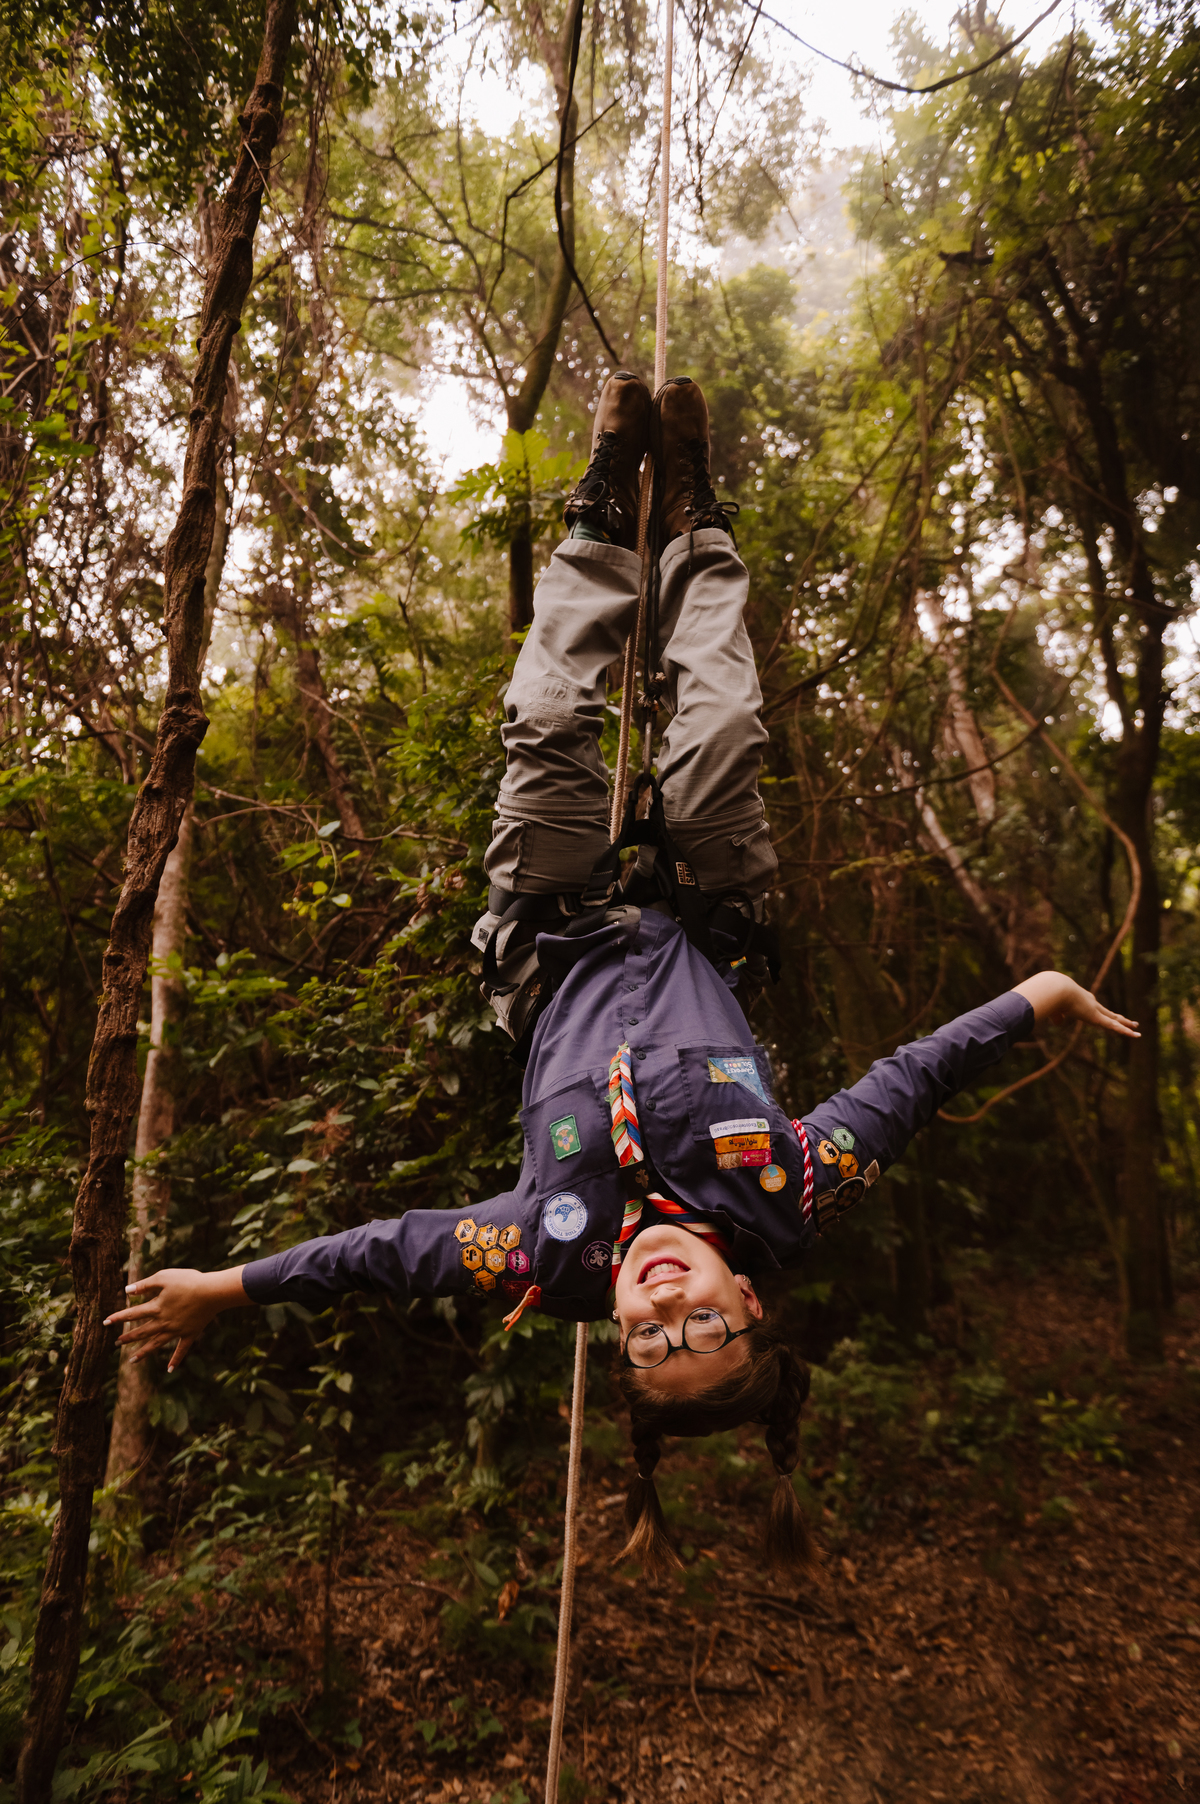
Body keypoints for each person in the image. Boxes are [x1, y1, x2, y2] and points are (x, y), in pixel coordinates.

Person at [106, 372, 1138, 1574]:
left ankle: (604, 512)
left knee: (547, 726)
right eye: (702, 1323)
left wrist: (225, 1291)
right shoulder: (788, 1198)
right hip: (705, 917)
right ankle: (693, 515)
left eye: (651, 1344)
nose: (664, 1310)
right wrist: (1040, 998)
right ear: (751, 1304)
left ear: (622, 1345)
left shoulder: (547, 1252)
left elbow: (381, 1254)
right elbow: (908, 1087)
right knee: (718, 745)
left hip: (547, 934)